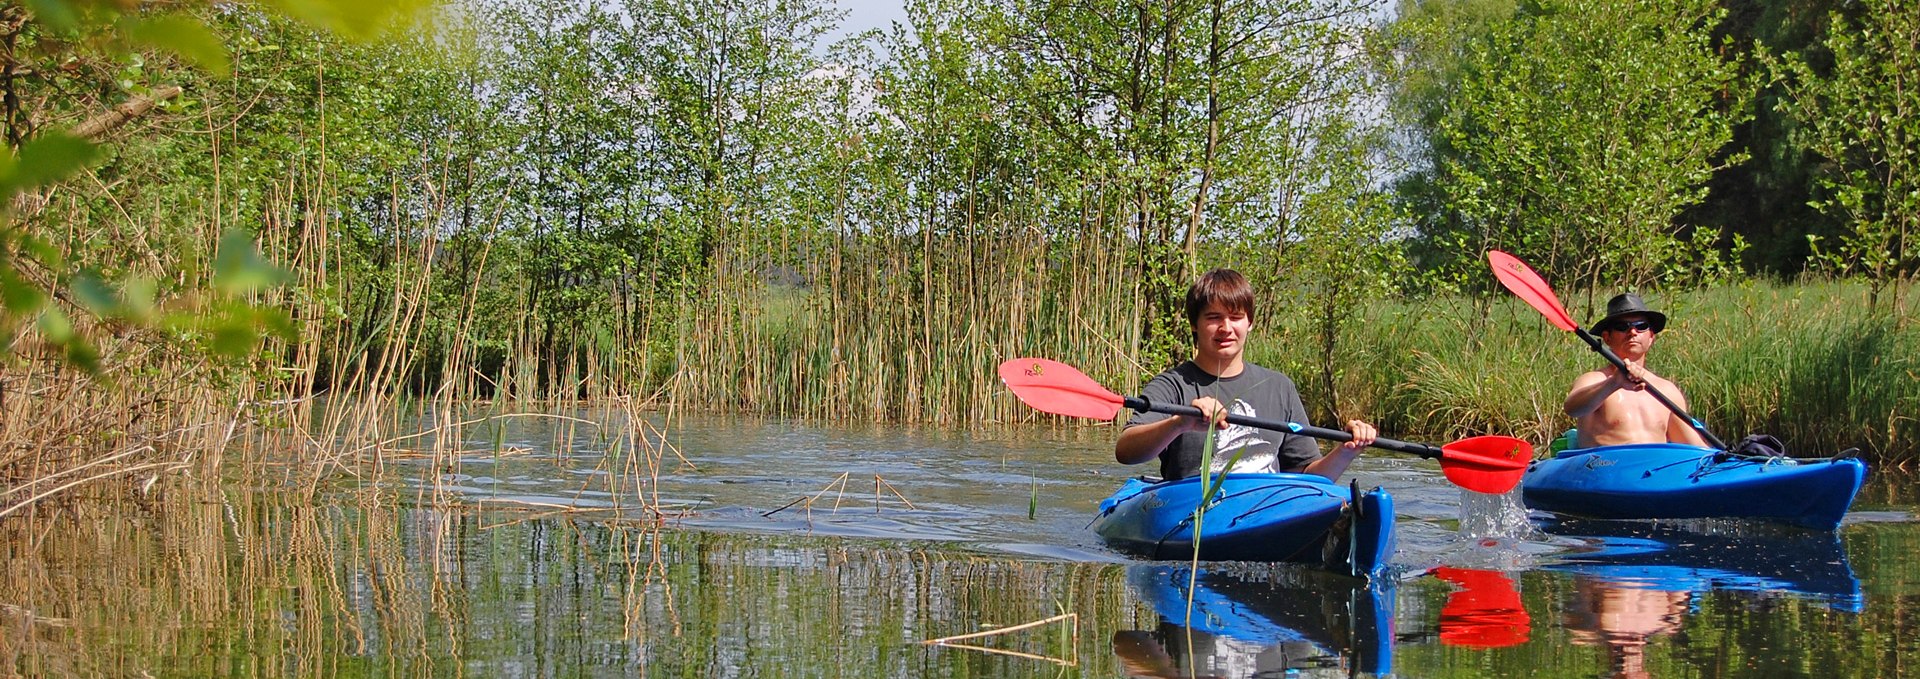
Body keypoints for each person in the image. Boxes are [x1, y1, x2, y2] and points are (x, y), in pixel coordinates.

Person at [1114, 269, 1376, 481]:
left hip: (1265, 509)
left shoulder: (1279, 387)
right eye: (1214, 317)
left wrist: (1347, 451)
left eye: (1236, 317)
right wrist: (1179, 423)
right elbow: (1125, 451)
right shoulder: (1172, 385)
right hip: (1194, 513)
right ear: (1195, 324)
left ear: (1249, 323)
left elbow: (1307, 475)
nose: (1226, 328)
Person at [1562, 293, 1708, 448]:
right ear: (1607, 337)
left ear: (1651, 336)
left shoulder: (1667, 390)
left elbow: (1693, 446)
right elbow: (1572, 408)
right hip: (1606, 466)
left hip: (1655, 469)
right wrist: (1614, 382)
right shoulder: (1594, 380)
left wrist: (1726, 459)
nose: (1632, 332)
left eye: (1641, 326)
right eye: (1622, 327)